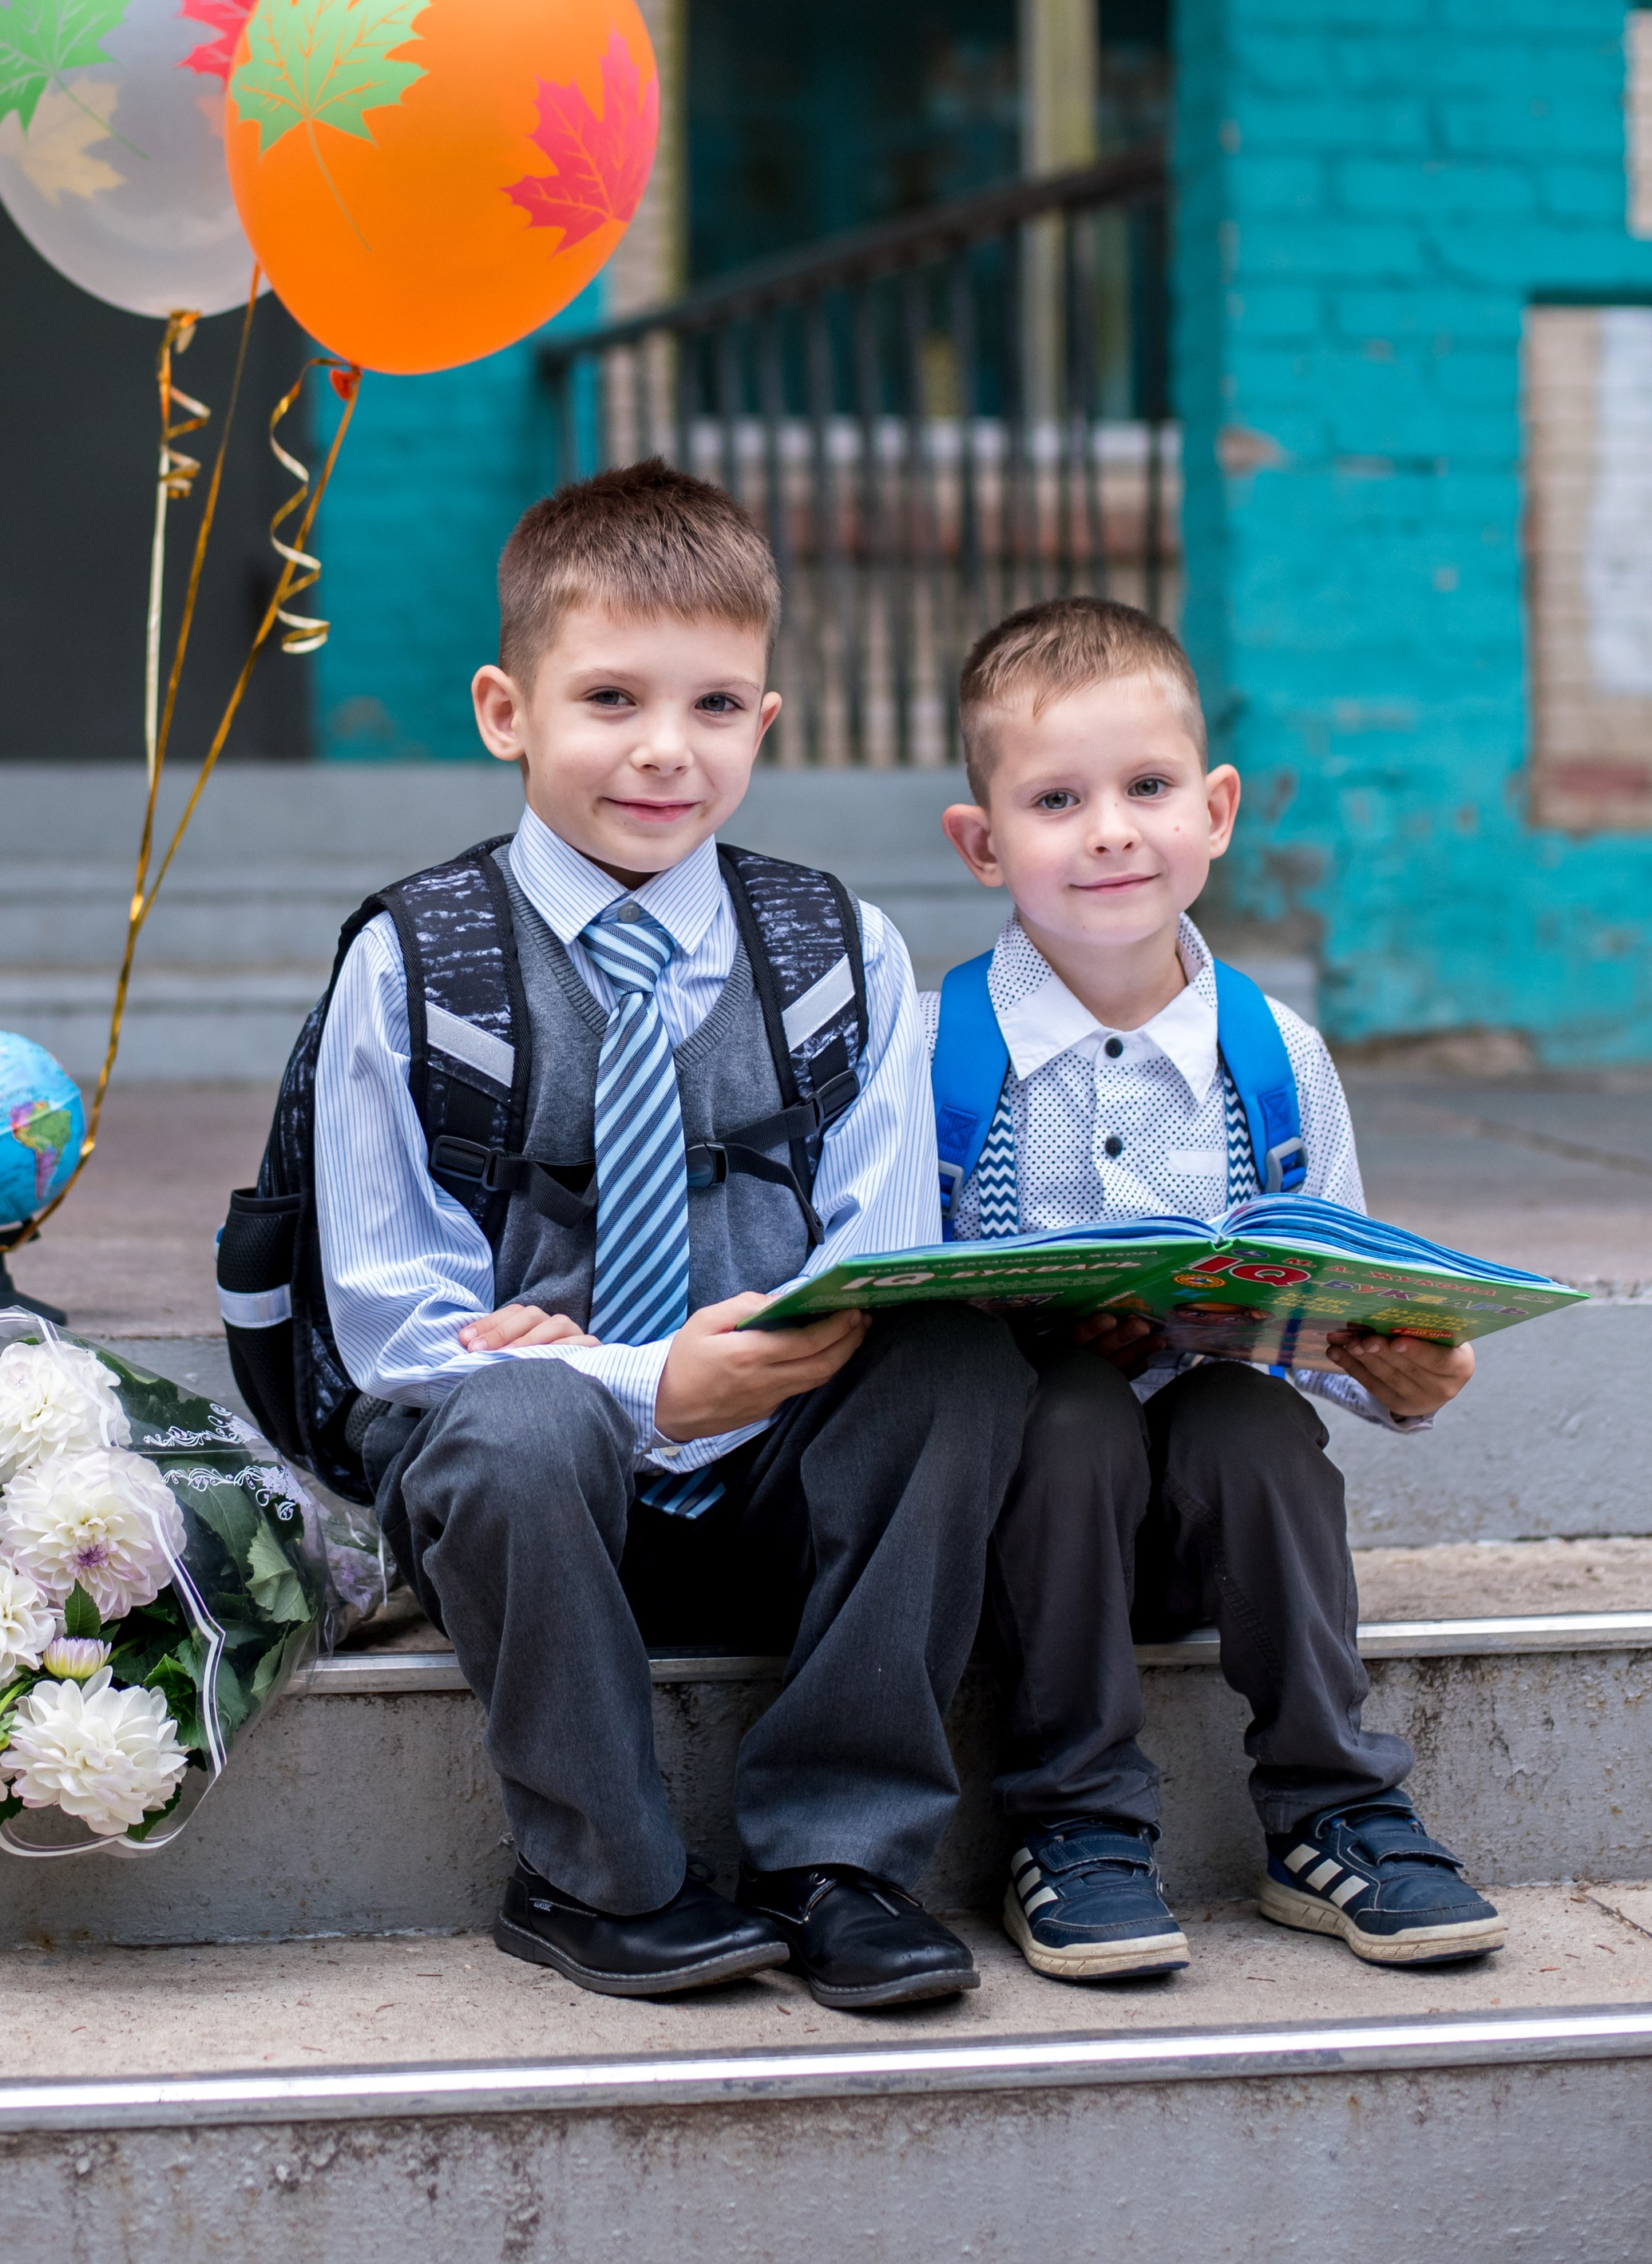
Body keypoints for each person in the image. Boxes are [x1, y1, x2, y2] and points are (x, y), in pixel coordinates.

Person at [310, 462, 1032, 2009]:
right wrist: (642, 1388)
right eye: (610, 699)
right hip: (530, 1508)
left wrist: (729, 1374)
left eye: (714, 707)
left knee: (951, 1368)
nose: (662, 750)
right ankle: (596, 1876)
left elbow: (878, 1258)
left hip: (773, 1466)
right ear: (507, 711)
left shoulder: (839, 948)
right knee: (505, 1413)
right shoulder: (411, 959)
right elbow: (393, 1331)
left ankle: (835, 1856)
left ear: (764, 725)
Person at [932, 595, 1507, 1983]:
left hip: (1211, 1533)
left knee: (1248, 1416)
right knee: (1067, 1405)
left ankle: (1337, 1805)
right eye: (1057, 798)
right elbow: (896, 1317)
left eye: (1148, 787)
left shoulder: (1279, 1055)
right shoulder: (937, 1051)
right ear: (982, 840)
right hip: (1029, 1537)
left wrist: (1393, 1363)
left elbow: (1330, 1287)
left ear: (1218, 806)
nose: (1113, 829)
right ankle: (1073, 1819)